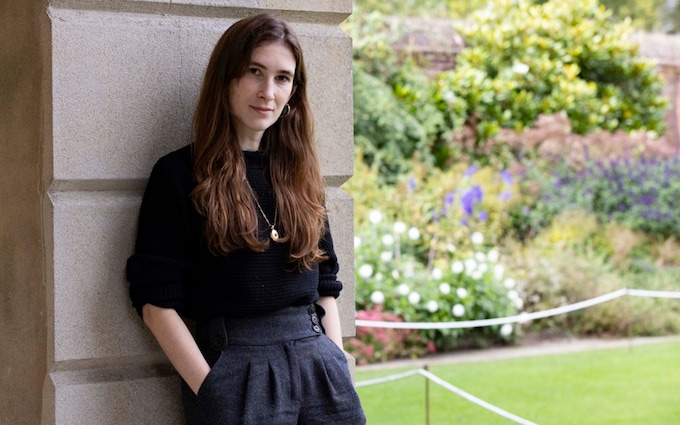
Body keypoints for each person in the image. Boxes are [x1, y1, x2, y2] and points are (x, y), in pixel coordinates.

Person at [126, 14, 366, 425]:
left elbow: (326, 282)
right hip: (238, 369)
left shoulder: (299, 173)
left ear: (293, 91)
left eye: (282, 78)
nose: (267, 92)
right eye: (255, 71)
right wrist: (211, 387)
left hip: (319, 365)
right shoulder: (180, 175)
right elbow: (156, 303)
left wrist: (336, 358)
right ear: (227, 78)